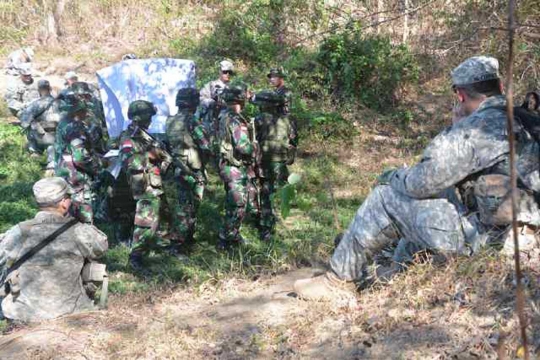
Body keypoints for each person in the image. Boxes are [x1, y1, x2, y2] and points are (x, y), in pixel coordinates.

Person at [293, 56, 540, 301]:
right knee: (439, 198)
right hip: (528, 237)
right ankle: (395, 268)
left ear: (461, 95)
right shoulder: (527, 119)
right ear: (500, 88)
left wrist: (394, 176)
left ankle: (336, 281)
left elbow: (421, 182)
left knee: (387, 196)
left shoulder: (478, 127)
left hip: (494, 243)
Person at [0, 177, 108, 323]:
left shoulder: (20, 231)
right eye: (69, 197)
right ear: (63, 202)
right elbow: (102, 247)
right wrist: (80, 221)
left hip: (23, 313)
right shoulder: (78, 231)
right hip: (71, 311)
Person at [119, 100, 170, 269]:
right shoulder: (130, 137)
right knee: (145, 220)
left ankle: (153, 244)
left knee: (157, 216)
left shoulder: (144, 135)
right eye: (148, 117)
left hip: (153, 182)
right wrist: (150, 155)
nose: (150, 120)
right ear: (139, 117)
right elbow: (128, 162)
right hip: (144, 184)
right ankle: (136, 256)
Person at [252, 68, 298, 241]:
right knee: (279, 192)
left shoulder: (259, 120)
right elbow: (293, 141)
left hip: (265, 162)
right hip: (280, 162)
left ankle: (266, 228)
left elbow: (252, 141)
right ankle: (282, 222)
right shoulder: (288, 120)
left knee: (266, 193)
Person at [217, 85, 264, 249]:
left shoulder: (223, 116)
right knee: (238, 204)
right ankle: (227, 238)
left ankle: (231, 235)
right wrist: (256, 147)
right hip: (235, 167)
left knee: (232, 203)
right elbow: (243, 147)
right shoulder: (236, 120)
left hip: (227, 165)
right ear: (240, 100)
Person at [165, 88, 211, 253]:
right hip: (192, 169)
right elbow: (206, 145)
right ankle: (177, 245)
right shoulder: (192, 121)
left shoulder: (170, 121)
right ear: (194, 103)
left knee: (183, 205)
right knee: (188, 208)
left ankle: (187, 240)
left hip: (178, 168)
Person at [55, 85, 103, 224]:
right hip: (77, 177)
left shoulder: (63, 123)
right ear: (78, 110)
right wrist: (100, 165)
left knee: (69, 210)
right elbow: (80, 158)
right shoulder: (75, 127)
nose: (86, 113)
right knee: (83, 214)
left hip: (65, 173)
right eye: (84, 110)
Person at [19, 80, 61, 168]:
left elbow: (25, 120)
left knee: (29, 128)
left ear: (38, 90)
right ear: (50, 88)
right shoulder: (60, 102)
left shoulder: (36, 103)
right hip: (58, 136)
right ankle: (53, 162)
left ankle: (35, 152)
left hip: (42, 136)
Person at [199, 60, 235, 158]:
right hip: (213, 121)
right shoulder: (211, 85)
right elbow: (201, 99)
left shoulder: (234, 86)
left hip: (230, 121)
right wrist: (212, 102)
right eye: (225, 72)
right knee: (212, 145)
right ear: (220, 71)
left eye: (230, 72)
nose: (227, 74)